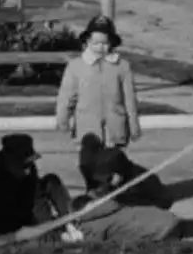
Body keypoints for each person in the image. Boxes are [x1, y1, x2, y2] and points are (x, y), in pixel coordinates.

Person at [65, 133, 185, 242]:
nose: (103, 184)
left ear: (117, 174)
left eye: (107, 179)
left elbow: (112, 209)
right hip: (162, 217)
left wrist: (85, 216)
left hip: (156, 217)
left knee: (115, 218)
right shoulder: (121, 177)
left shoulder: (139, 184)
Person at [55, 14, 142, 156]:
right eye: (95, 43)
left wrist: (133, 126)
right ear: (87, 42)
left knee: (113, 168)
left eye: (105, 43)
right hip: (87, 130)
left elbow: (129, 99)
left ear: (112, 43)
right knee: (90, 168)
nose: (100, 47)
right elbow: (66, 96)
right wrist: (62, 119)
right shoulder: (76, 66)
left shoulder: (122, 66)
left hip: (115, 130)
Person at [0, 133, 72, 238]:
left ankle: (69, 222)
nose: (28, 170)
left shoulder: (27, 170)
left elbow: (34, 192)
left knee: (51, 181)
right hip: (4, 224)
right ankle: (48, 231)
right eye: (24, 165)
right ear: (9, 159)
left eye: (29, 164)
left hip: (26, 212)